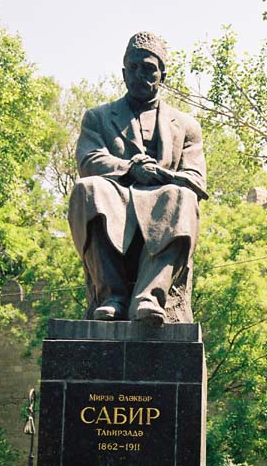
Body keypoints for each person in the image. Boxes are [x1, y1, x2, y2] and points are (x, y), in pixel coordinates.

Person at [68, 32, 207, 326]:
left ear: (162, 75)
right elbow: (88, 160)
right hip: (115, 195)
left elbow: (195, 178)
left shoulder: (186, 125)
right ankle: (112, 297)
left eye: (148, 68)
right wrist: (130, 168)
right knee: (87, 189)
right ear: (123, 72)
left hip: (163, 200)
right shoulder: (98, 117)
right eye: (132, 68)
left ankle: (149, 298)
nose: (139, 74)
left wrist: (161, 174)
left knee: (181, 196)